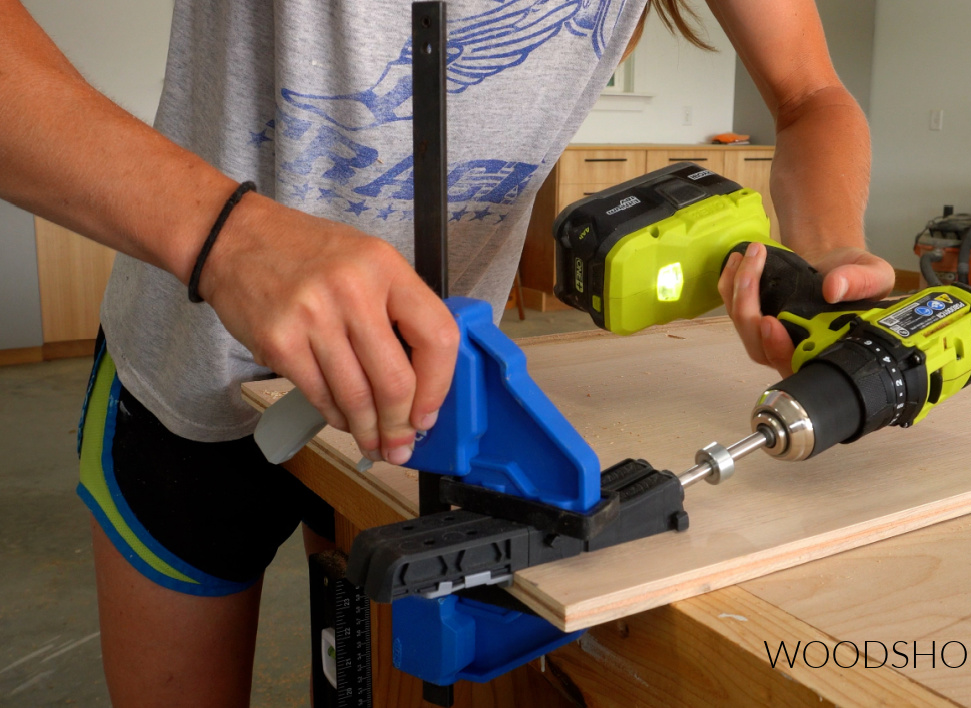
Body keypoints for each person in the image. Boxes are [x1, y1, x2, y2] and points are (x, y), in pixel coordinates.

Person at [0, 0, 893, 704]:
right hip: (185, 382)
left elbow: (810, 93)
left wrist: (824, 259)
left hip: (430, 411)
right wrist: (227, 237)